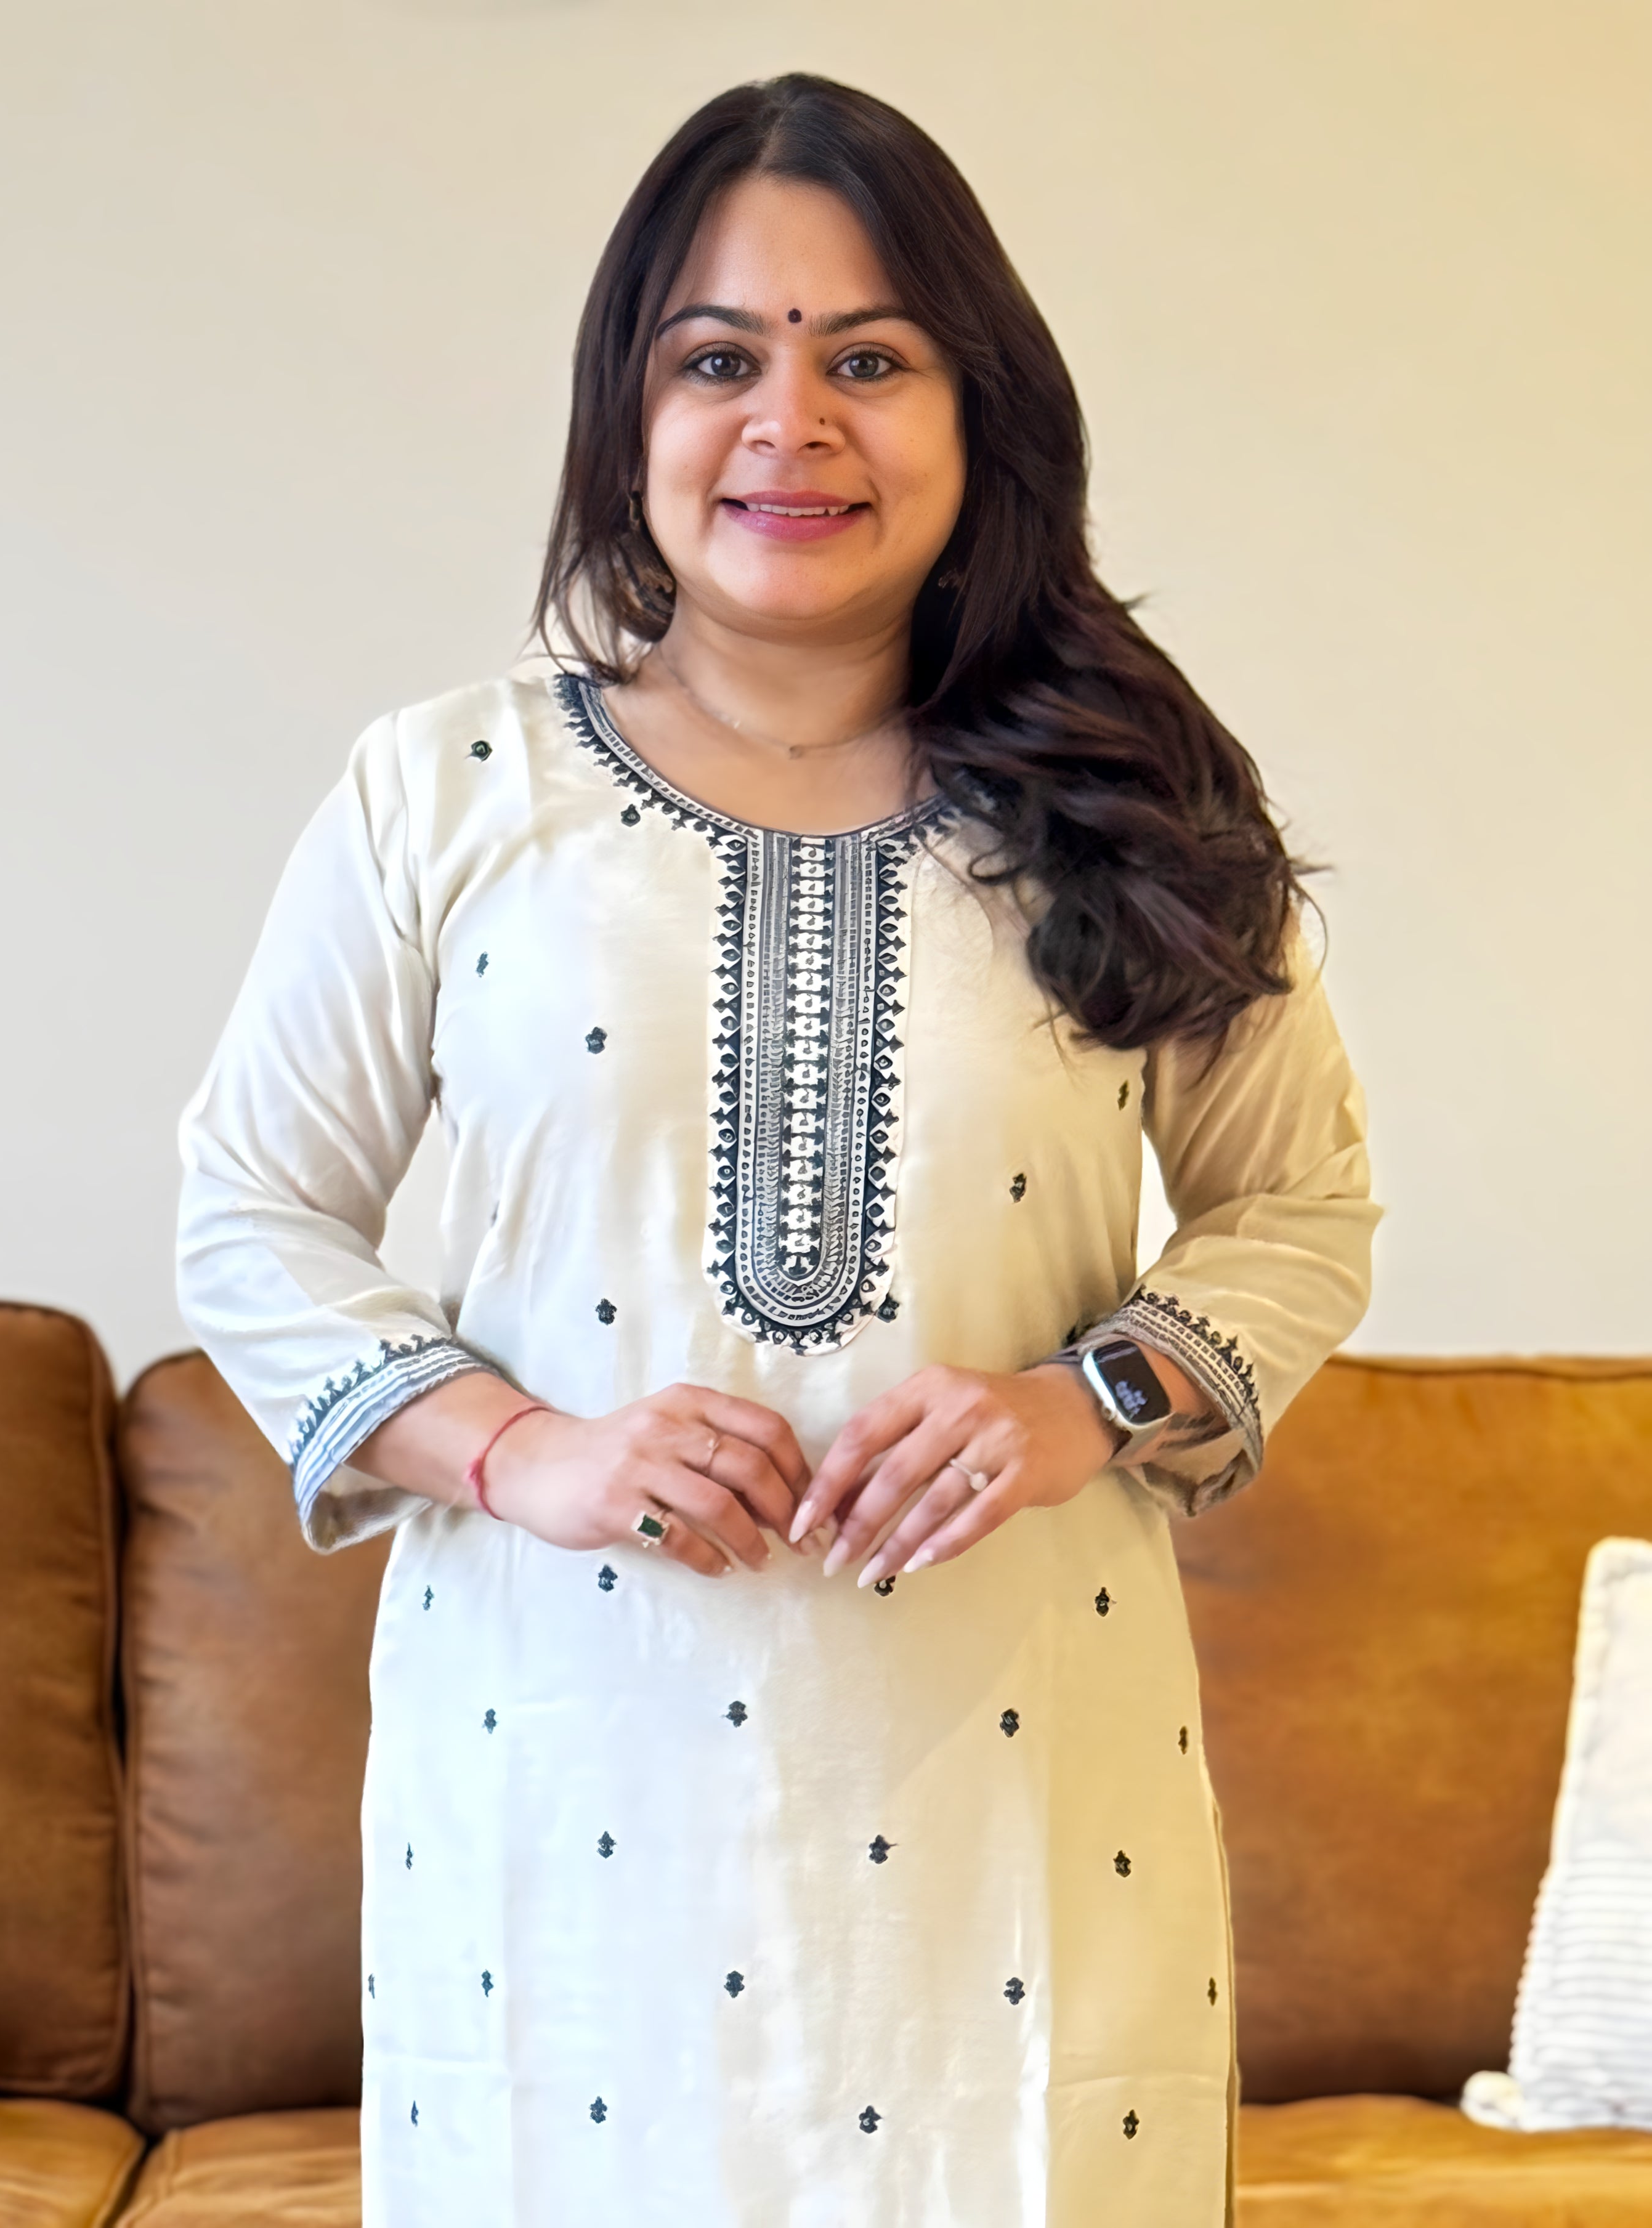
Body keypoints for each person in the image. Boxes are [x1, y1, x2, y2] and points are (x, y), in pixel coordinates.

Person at [177, 71, 1376, 2228]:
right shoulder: (446, 793)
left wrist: (1084, 1396)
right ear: (625, 418)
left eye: (871, 360)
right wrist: (515, 1444)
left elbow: (1302, 1205)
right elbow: (254, 1210)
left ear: (976, 410)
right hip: (563, 1785)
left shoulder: (1135, 799)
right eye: (718, 357)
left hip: (1020, 1801)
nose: (787, 421)